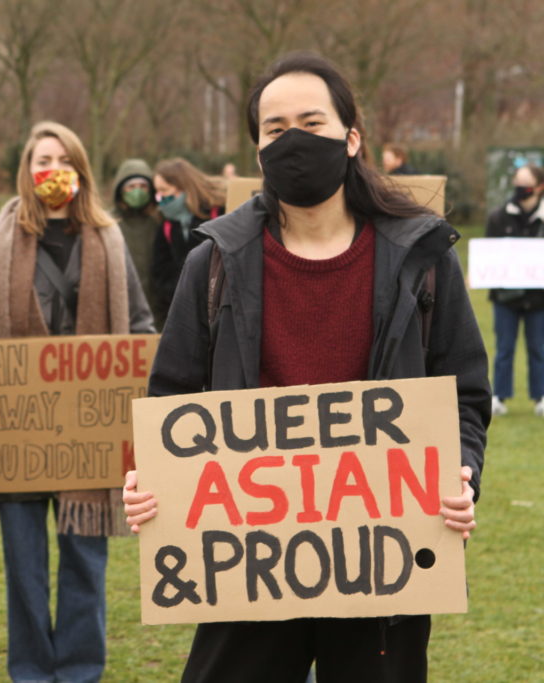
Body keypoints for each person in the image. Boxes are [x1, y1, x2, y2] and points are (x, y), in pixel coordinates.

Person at [123, 53, 489, 683]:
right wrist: (151, 481)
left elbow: (466, 394)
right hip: (249, 566)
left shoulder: (422, 258)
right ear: (258, 149)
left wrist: (462, 471)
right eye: (275, 128)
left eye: (311, 122)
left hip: (381, 562)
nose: (293, 139)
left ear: (352, 138)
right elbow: (171, 400)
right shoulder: (212, 263)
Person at [0, 121, 154, 683]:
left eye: (61, 159)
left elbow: (140, 326)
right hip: (17, 433)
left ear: (79, 170)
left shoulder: (108, 239)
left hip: (89, 433)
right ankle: (32, 671)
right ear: (26, 172)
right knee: (25, 570)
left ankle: (81, 670)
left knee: (85, 564)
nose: (50, 170)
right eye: (41, 160)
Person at [485, 164, 544, 416]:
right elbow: (488, 257)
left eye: (526, 183)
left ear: (539, 187)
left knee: (538, 348)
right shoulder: (498, 217)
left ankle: (540, 396)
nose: (520, 188)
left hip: (539, 299)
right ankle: (498, 396)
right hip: (505, 297)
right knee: (504, 347)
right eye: (517, 182)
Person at [151, 157, 226, 329]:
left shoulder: (219, 213)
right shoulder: (167, 225)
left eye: (164, 190)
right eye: (157, 192)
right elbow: (160, 275)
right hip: (185, 313)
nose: (160, 198)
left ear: (183, 187)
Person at [111, 158, 160, 318]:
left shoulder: (160, 222)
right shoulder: (108, 224)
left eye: (143, 186)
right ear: (121, 190)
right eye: (131, 186)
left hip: (157, 308)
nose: (137, 191)